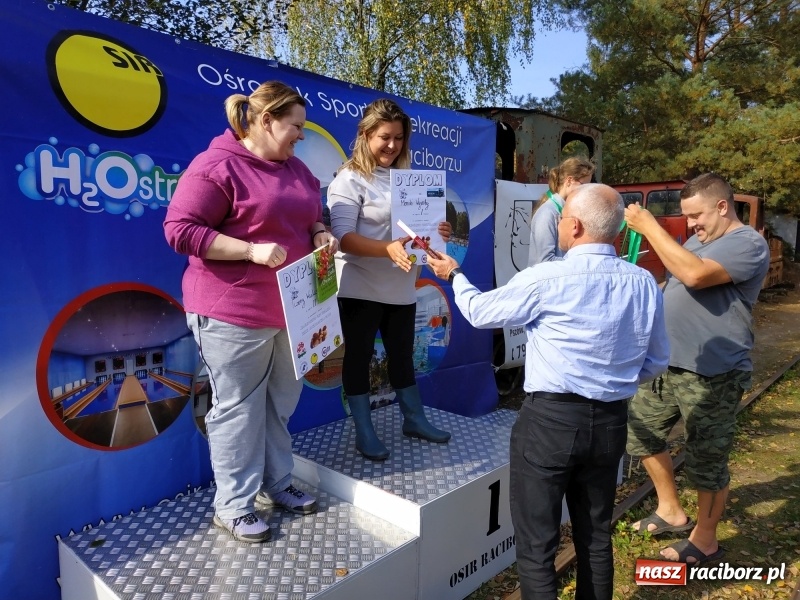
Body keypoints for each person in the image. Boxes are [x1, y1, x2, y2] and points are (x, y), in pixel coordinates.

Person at [428, 184, 670, 600]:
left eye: (560, 217)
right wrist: (614, 381)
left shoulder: (547, 278)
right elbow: (656, 361)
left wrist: (454, 275)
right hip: (611, 422)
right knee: (595, 537)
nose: (557, 223)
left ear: (574, 226)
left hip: (550, 424)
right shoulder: (644, 283)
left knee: (537, 547)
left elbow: (480, 311)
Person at [164, 81, 338, 543]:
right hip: (231, 310)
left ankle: (277, 482)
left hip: (293, 309)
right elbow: (180, 230)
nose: (301, 135)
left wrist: (320, 231)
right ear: (265, 121)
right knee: (237, 409)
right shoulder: (216, 166)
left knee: (280, 402)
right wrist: (249, 251)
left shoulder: (297, 170)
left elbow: (310, 214)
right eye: (295, 126)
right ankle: (234, 506)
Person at [623, 173, 770, 564]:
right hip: (668, 364)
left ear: (723, 206)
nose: (691, 224)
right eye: (686, 218)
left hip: (713, 374)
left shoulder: (747, 243)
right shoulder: (699, 239)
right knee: (639, 432)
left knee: (706, 459)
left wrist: (651, 226)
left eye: (696, 215)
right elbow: (675, 281)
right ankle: (671, 509)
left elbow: (694, 274)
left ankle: (705, 538)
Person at [327, 98, 451, 462]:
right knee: (360, 357)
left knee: (402, 355)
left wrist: (436, 231)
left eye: (399, 138)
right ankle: (364, 431)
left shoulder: (409, 179)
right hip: (359, 284)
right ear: (365, 135)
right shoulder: (349, 179)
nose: (392, 146)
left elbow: (415, 232)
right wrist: (386, 250)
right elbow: (343, 237)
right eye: (384, 137)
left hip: (401, 286)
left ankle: (414, 418)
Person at [528, 156, 595, 266]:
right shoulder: (547, 213)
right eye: (583, 185)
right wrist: (583, 262)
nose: (586, 191)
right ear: (569, 180)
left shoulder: (567, 210)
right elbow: (545, 261)